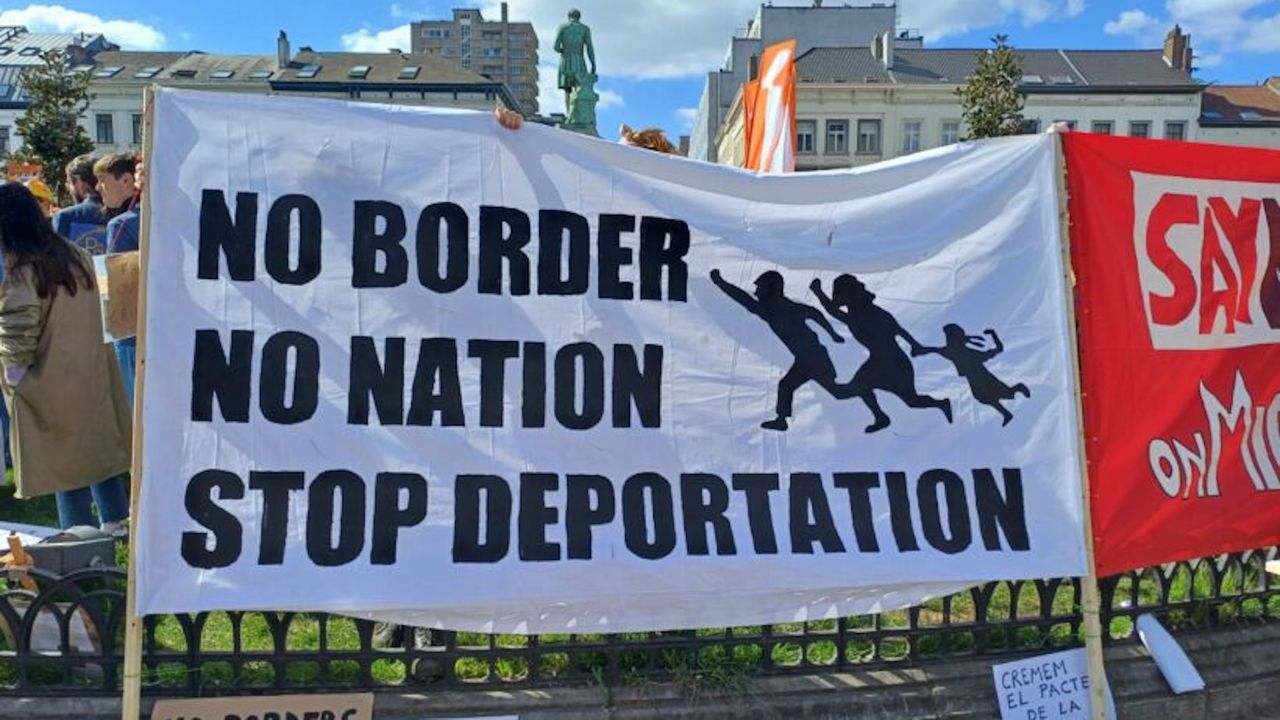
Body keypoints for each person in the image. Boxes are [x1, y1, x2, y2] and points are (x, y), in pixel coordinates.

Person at [0, 183, 131, 529]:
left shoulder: (25, 269)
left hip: (50, 377)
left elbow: (17, 332)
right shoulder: (74, 254)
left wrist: (15, 380)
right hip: (89, 370)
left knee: (64, 464)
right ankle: (117, 525)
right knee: (97, 454)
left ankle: (76, 541)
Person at [810, 275, 952, 433]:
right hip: (885, 361)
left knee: (911, 401)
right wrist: (818, 292)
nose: (837, 298)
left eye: (839, 293)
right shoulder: (858, 314)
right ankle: (881, 417)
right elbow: (833, 310)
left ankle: (940, 404)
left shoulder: (867, 314)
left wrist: (916, 346)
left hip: (893, 363)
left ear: (848, 294)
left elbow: (898, 329)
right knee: (857, 389)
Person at [711, 269, 846, 431]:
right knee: (787, 386)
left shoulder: (771, 310)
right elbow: (814, 313)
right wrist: (832, 334)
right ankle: (781, 420)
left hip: (815, 357)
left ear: (769, 289)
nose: (756, 292)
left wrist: (833, 334)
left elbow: (744, 299)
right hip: (807, 358)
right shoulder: (780, 308)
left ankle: (867, 387)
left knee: (836, 392)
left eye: (759, 288)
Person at [94, 153, 140, 402]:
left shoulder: (122, 224)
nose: (97, 187)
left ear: (126, 181)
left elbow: (117, 291)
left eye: (103, 179)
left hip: (132, 338)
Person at [918, 324, 1030, 426]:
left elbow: (999, 349)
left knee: (1001, 393)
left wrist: (993, 334)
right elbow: (933, 349)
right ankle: (1006, 413)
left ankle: (1018, 388)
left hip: (984, 377)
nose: (948, 340)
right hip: (973, 380)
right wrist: (920, 350)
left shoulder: (968, 353)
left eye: (949, 337)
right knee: (984, 397)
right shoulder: (950, 351)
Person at [53, 154, 109, 254]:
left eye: (69, 182)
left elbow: (57, 257)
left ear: (79, 181)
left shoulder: (65, 216)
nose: (68, 189)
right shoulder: (122, 212)